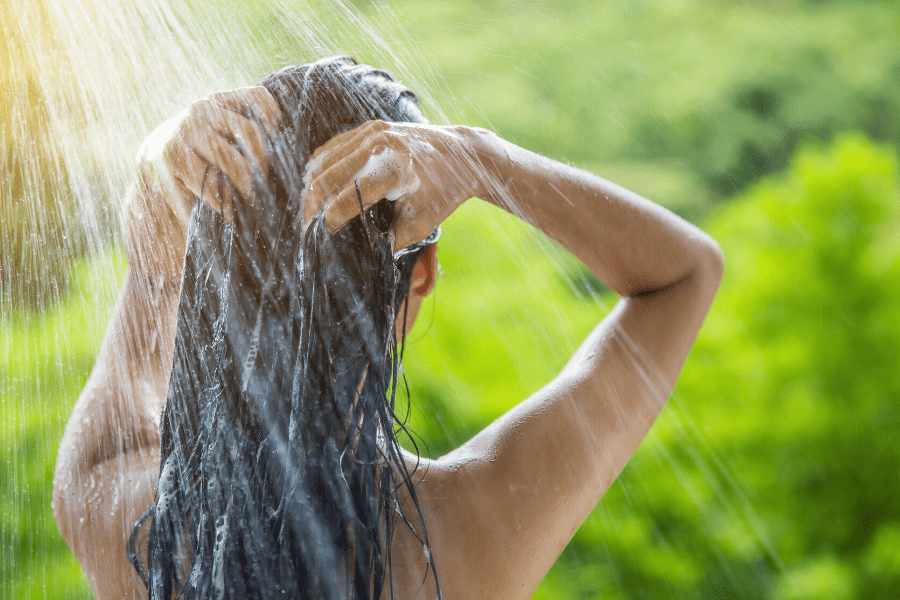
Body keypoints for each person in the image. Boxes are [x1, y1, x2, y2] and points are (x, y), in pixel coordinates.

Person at [52, 56, 724, 600]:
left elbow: (153, 268)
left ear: (220, 271)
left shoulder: (118, 513)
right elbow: (685, 273)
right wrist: (482, 160)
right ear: (423, 273)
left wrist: (163, 154)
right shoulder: (467, 532)